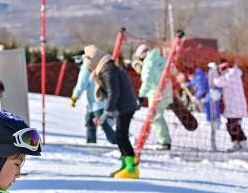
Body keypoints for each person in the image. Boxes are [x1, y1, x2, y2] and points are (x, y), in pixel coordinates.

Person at [90, 48, 140, 179]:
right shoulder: (108, 68)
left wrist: (106, 112)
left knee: (121, 136)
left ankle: (132, 168)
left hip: (125, 106)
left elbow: (114, 92)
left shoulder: (108, 70)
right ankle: (126, 165)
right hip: (124, 106)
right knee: (120, 136)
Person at [70, 47, 115, 144]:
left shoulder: (86, 68)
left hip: (97, 102)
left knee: (104, 124)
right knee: (89, 121)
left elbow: (81, 84)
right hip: (93, 103)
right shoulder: (93, 65)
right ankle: (91, 142)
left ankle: (116, 141)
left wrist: (75, 97)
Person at [134, 43, 172, 150]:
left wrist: (141, 95)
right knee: (157, 116)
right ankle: (162, 139)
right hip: (166, 91)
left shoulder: (148, 62)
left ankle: (164, 141)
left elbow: (147, 80)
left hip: (156, 93)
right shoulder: (161, 59)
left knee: (156, 117)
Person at [211, 60, 248, 151]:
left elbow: (218, 82)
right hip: (232, 106)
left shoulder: (232, 74)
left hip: (235, 106)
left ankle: (243, 144)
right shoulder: (232, 74)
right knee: (231, 125)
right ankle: (237, 144)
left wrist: (214, 74)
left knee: (234, 126)